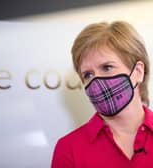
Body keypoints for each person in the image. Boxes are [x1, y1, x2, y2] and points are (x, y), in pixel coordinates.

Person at [51, 21, 153, 168]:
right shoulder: (69, 148)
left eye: (107, 67)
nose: (96, 81)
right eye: (88, 74)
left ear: (138, 72)